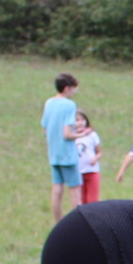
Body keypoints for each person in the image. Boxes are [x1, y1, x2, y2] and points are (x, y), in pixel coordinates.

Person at [41, 74, 85, 222]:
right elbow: (67, 134)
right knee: (75, 190)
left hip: (54, 153)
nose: (74, 92)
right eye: (73, 88)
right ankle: (77, 223)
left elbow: (45, 129)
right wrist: (81, 134)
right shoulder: (69, 105)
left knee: (57, 189)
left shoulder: (49, 103)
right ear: (67, 88)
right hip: (68, 155)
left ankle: (58, 222)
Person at [74, 111, 103, 205]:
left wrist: (95, 158)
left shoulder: (92, 135)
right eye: (77, 120)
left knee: (93, 200)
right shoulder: (72, 137)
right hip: (78, 172)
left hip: (92, 171)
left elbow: (99, 152)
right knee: (82, 200)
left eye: (82, 120)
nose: (80, 123)